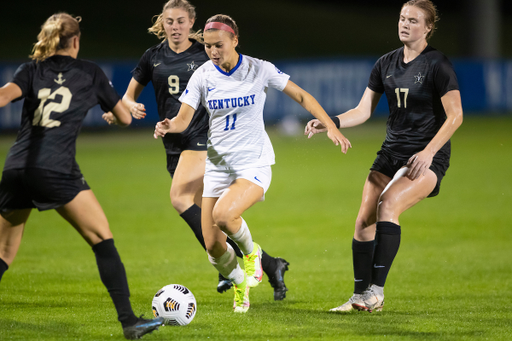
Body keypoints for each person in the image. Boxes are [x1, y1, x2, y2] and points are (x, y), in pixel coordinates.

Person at [154, 14, 351, 313]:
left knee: (223, 214)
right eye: (207, 47)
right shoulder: (203, 75)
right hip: (218, 166)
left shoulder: (259, 69)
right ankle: (239, 282)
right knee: (213, 247)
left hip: (253, 164)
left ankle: (252, 253)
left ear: (235, 40)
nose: (213, 52)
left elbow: (300, 95)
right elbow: (184, 118)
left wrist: (331, 126)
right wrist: (170, 125)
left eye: (219, 45)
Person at [0, 13, 164, 339]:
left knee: (4, 251)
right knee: (102, 239)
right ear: (76, 41)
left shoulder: (30, 69)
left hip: (15, 168)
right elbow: (125, 119)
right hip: (56, 169)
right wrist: (117, 112)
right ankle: (130, 322)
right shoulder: (90, 72)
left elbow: (4, 96)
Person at [113, 0, 290, 300]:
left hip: (203, 139)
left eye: (181, 21)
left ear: (191, 22)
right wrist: (123, 108)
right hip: (173, 143)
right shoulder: (152, 57)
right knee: (208, 223)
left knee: (179, 197)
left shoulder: (206, 52)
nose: (175, 27)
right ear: (162, 23)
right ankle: (270, 265)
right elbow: (128, 97)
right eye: (169, 21)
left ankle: (231, 272)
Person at [305, 0, 463, 312]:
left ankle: (376, 292)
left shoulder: (437, 64)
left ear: (428, 27)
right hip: (390, 154)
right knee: (364, 220)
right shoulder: (386, 63)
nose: (405, 24)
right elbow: (362, 111)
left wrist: (429, 152)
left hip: (423, 158)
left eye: (414, 20)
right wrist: (330, 121)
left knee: (388, 205)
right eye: (403, 18)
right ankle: (359, 297)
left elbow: (455, 116)